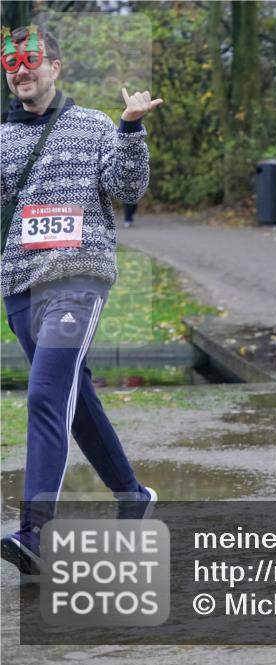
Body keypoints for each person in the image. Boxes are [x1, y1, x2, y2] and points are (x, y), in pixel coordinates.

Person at [1, 25, 161, 574]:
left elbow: (126, 188)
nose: (20, 70)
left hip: (79, 279)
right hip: (21, 287)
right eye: (10, 63)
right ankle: (132, 493)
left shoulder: (91, 125)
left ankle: (35, 531)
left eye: (30, 60)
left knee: (46, 392)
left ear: (56, 67)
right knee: (76, 398)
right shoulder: (1, 138)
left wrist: (131, 128)